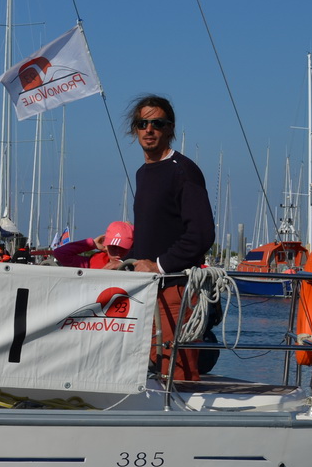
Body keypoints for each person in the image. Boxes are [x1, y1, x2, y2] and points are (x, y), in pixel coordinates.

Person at [124, 95, 215, 381]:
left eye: (157, 123)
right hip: (148, 292)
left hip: (176, 290)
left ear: (170, 128)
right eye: (142, 124)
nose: (149, 129)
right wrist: (124, 260)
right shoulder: (143, 173)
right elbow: (153, 232)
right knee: (149, 373)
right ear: (135, 129)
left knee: (176, 375)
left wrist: (159, 265)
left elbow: (201, 234)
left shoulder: (182, 170)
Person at [52, 220, 134, 269]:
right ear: (106, 247)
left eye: (123, 247)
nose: (118, 252)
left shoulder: (138, 264)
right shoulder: (91, 263)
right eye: (113, 247)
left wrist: (122, 263)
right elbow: (60, 253)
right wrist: (91, 243)